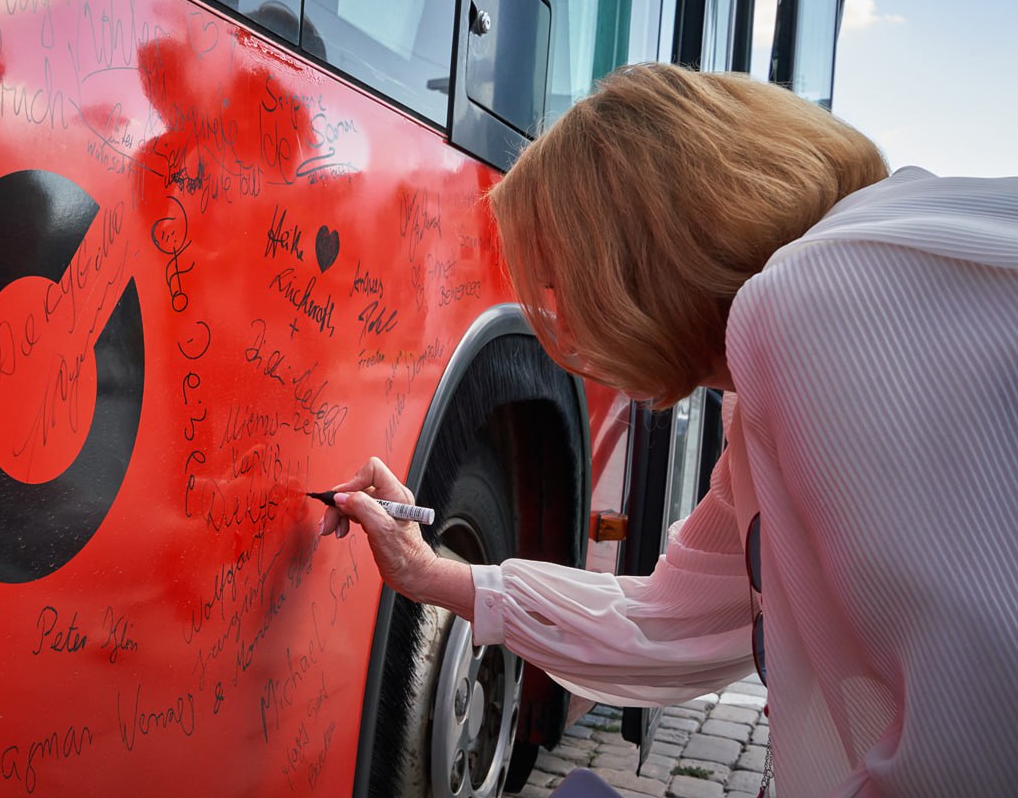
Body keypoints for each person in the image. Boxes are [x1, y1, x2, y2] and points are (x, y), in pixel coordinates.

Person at [317, 63, 1018, 796]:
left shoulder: (816, 302)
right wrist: (432, 574)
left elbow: (973, 734)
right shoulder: (780, 374)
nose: (561, 325)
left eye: (563, 281)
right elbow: (666, 623)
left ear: (637, 254)